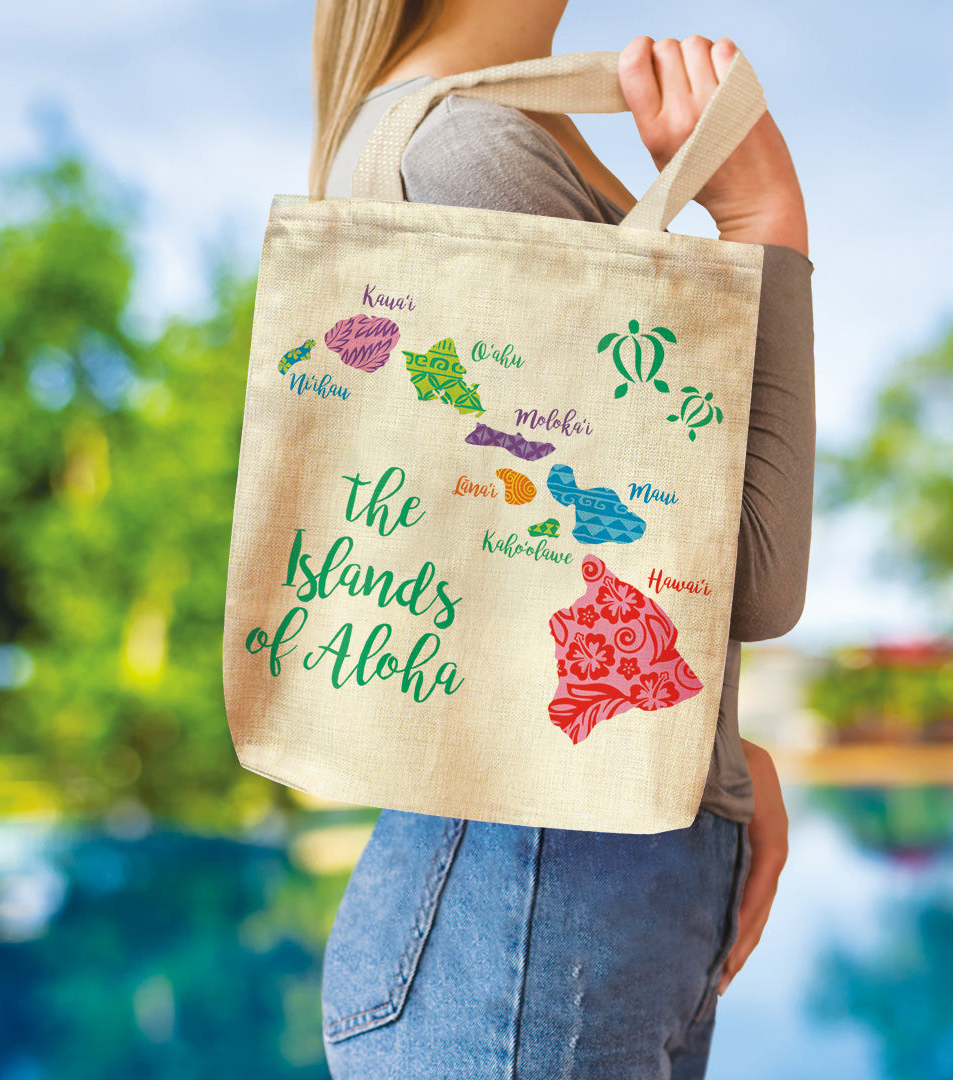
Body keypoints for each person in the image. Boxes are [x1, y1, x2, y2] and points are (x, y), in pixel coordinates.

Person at [312, 2, 813, 1076]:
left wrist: (719, 754)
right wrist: (765, 219)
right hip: (536, 923)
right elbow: (746, 580)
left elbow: (556, 567)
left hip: (546, 929)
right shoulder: (468, 152)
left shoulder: (485, 136)